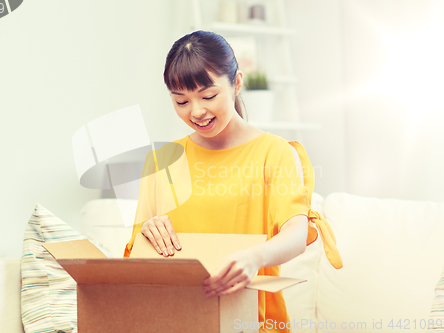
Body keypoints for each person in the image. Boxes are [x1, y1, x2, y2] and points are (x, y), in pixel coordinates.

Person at [123, 30, 342, 333]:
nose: (196, 112)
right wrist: (147, 231)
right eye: (181, 101)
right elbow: (135, 262)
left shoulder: (275, 153)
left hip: (251, 320)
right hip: (176, 320)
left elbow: (296, 233)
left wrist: (255, 257)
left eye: (208, 96)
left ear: (237, 82)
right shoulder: (162, 162)